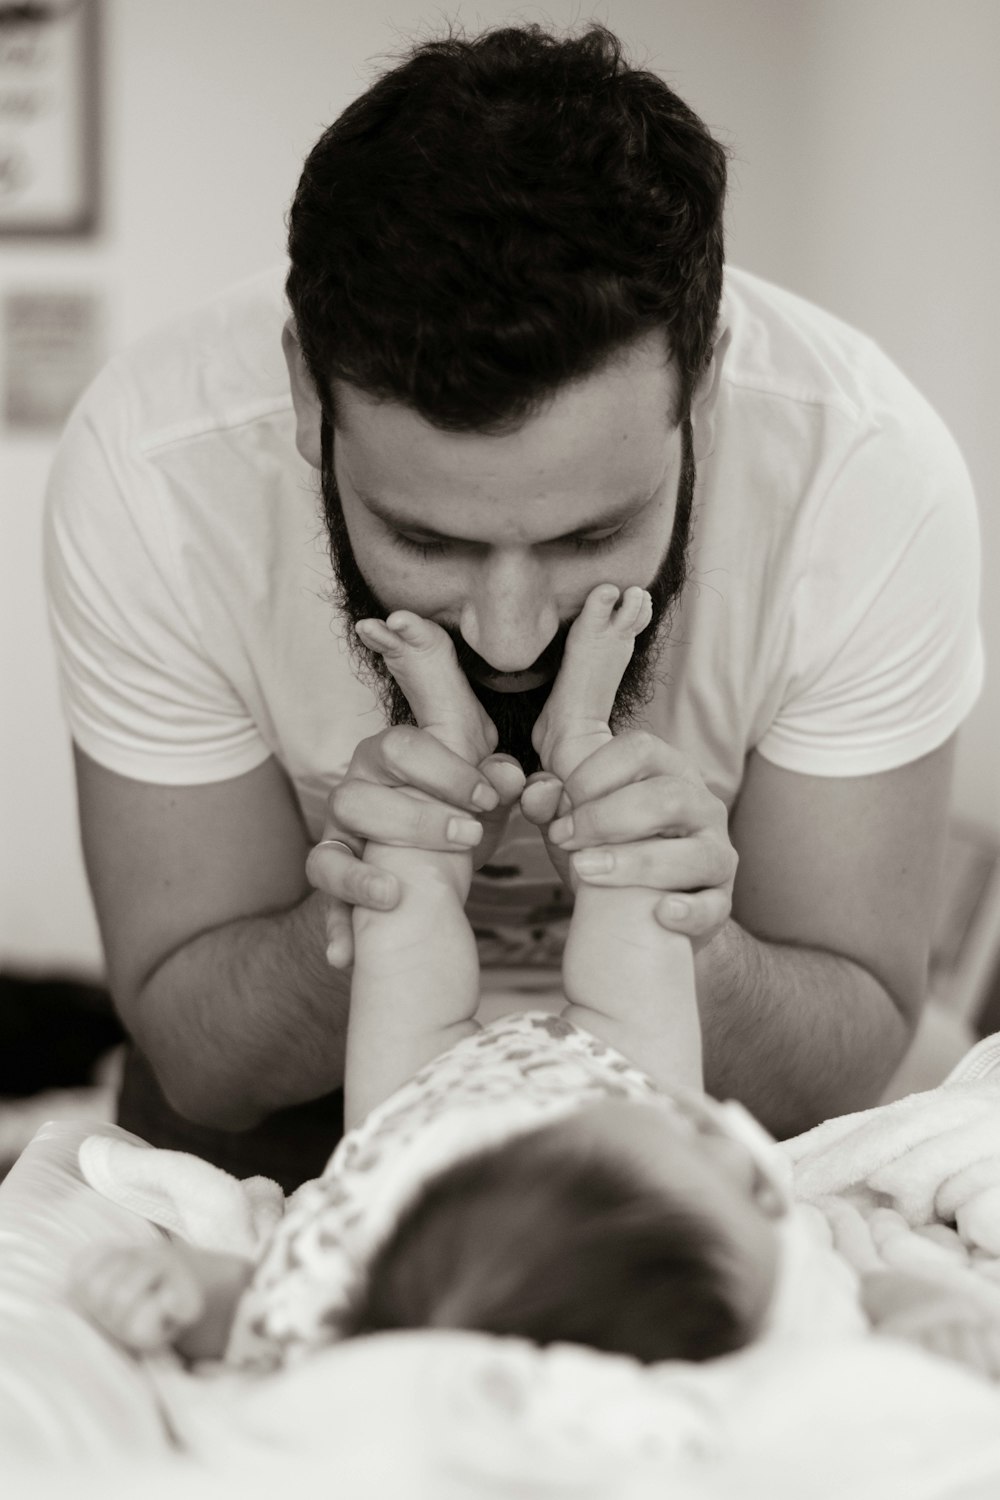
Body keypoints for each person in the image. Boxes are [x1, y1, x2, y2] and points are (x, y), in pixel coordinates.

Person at [44, 24, 982, 1191]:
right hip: (303, 1097)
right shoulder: (154, 472)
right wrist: (372, 902)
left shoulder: (866, 479)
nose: (510, 633)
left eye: (590, 537)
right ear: (304, 394)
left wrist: (676, 928)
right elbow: (200, 1063)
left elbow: (847, 1048)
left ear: (703, 386)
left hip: (715, 1097)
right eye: (424, 539)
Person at [71, 584, 791, 1370]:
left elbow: (257, 1303)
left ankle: (446, 737)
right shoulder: (721, 1309)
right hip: (630, 1097)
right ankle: (581, 729)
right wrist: (919, 1308)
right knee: (633, 878)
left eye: (731, 1179)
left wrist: (180, 1294)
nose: (737, 1158)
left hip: (413, 1134)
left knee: (399, 910)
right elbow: (855, 1300)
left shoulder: (375, 1294)